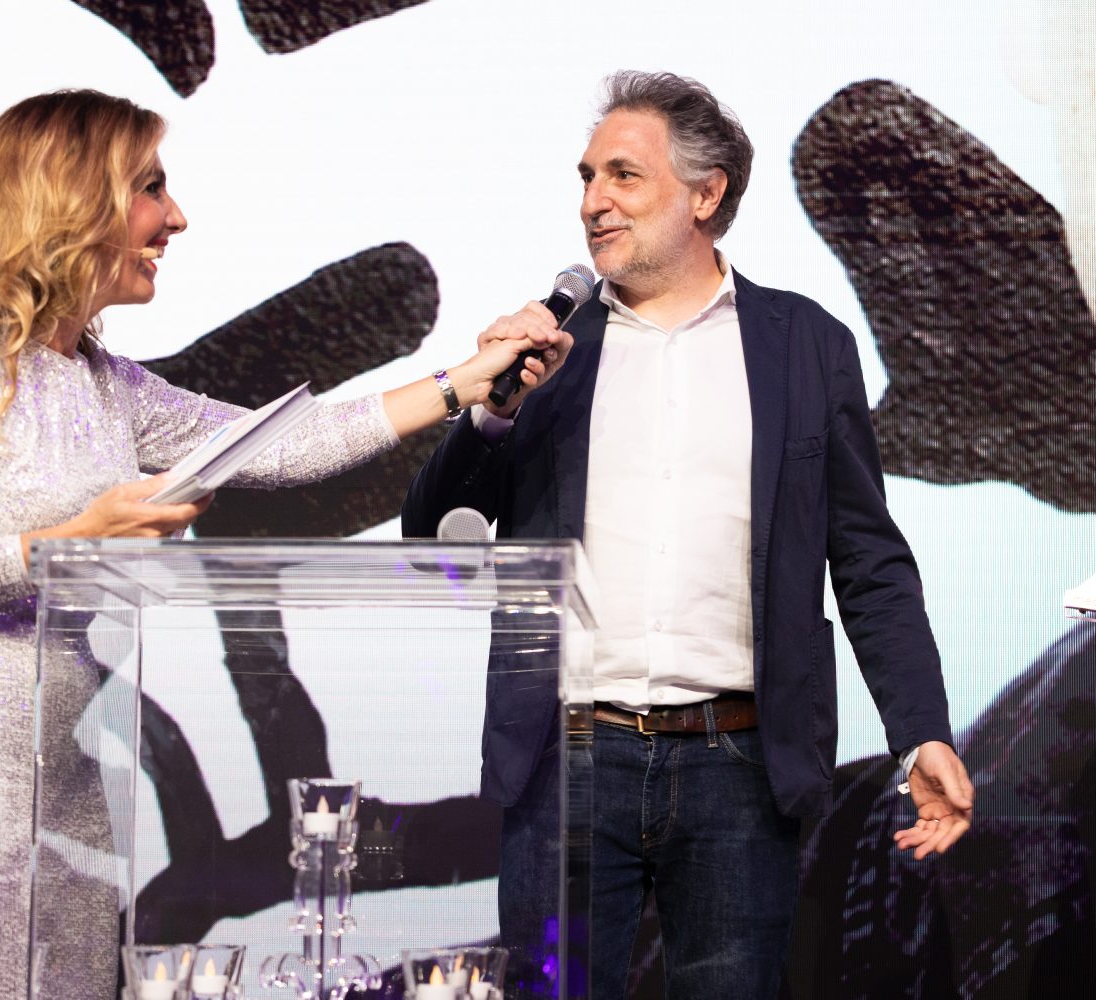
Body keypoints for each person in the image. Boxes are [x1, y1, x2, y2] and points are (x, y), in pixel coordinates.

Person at [0, 88, 568, 999]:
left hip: (72, 778)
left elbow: (289, 446)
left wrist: (468, 379)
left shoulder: (105, 383)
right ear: (70, 200)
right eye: (150, 188)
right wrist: (72, 539)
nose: (175, 217)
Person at [401, 71, 975, 999]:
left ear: (707, 195)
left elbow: (870, 564)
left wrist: (921, 736)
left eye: (623, 175)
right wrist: (491, 407)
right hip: (565, 759)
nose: (593, 201)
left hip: (738, 766)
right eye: (586, 177)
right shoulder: (548, 351)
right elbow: (431, 535)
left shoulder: (806, 346)